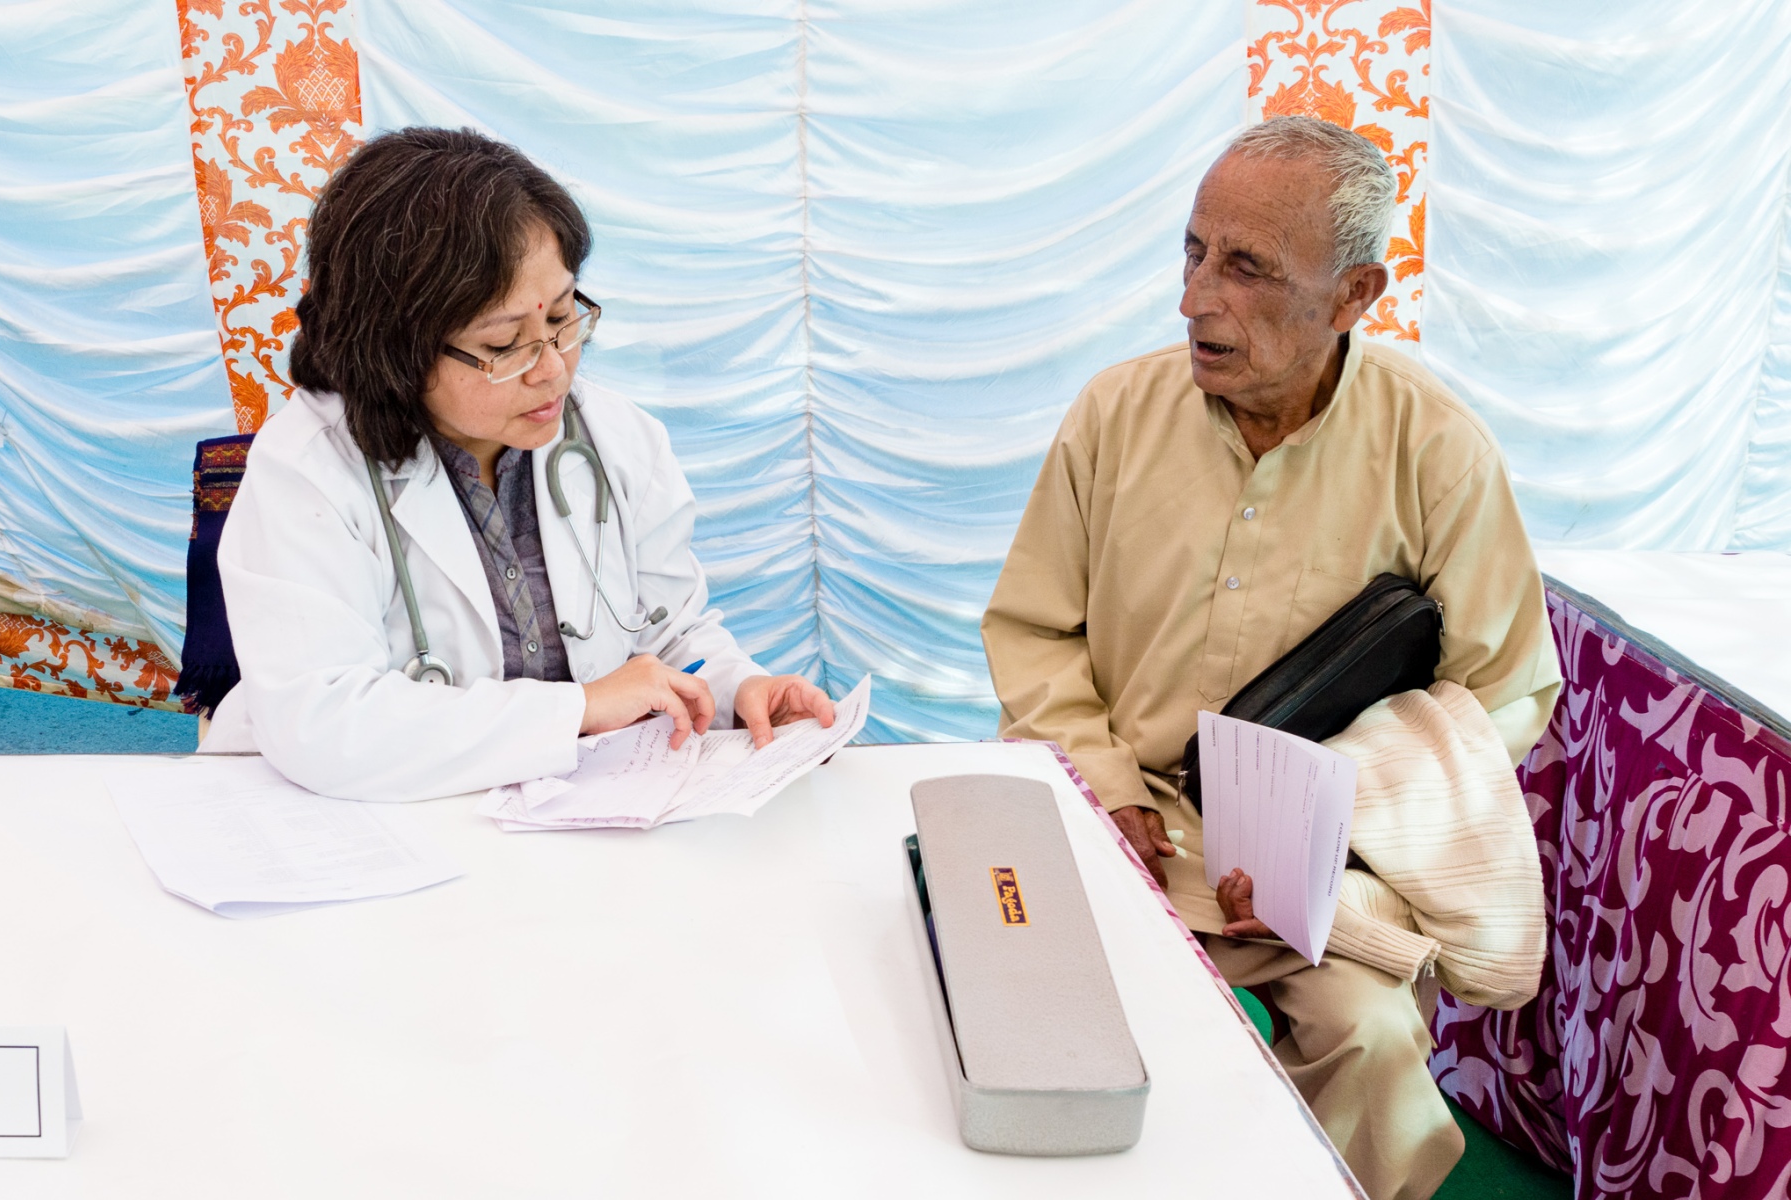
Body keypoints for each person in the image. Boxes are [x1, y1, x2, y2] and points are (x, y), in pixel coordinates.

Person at [980, 116, 1561, 1200]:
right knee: (1026, 1021)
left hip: (1317, 877)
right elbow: (1033, 629)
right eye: (1194, 252)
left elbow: (1503, 694)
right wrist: (1107, 791)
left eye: (1246, 268)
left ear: (1353, 296)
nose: (1196, 298)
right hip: (1112, 823)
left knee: (1374, 1044)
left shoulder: (1437, 449)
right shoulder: (1114, 413)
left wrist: (1328, 846)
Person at [202, 127, 834, 801]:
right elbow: (325, 724)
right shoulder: (308, 469)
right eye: (506, 344)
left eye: (562, 318)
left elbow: (671, 634)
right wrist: (578, 709)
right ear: (396, 346)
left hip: (578, 816)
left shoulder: (619, 440)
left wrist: (739, 690)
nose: (553, 369)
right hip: (364, 823)